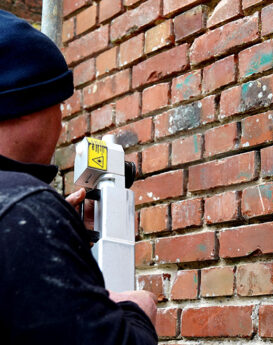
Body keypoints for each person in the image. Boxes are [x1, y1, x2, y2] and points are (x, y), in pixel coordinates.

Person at [0, 10, 158, 344]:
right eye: (59, 103)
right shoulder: (24, 208)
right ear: (29, 106)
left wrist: (59, 244)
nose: (60, 124)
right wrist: (135, 312)